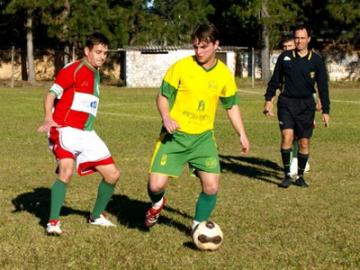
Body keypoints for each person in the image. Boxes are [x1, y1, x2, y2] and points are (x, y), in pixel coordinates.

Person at [144, 23, 250, 232]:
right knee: (155, 186)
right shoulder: (181, 67)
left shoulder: (224, 74)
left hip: (203, 139)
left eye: (204, 47)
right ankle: (157, 203)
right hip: (174, 136)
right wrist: (166, 116)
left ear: (216, 45)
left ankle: (197, 226)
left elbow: (231, 106)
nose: (199, 52)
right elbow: (162, 96)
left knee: (211, 186)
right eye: (196, 47)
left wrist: (242, 134)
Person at [37, 32, 120, 235]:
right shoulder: (73, 70)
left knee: (112, 175)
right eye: (98, 52)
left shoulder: (96, 72)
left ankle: (96, 216)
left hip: (87, 133)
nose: (102, 56)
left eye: (105, 53)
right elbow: (50, 95)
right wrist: (49, 118)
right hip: (64, 129)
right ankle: (53, 222)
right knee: (66, 169)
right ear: (86, 51)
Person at [263, 24, 330, 188]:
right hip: (286, 103)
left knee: (304, 143)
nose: (299, 41)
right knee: (287, 137)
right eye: (296, 38)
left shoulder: (316, 60)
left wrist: (326, 110)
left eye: (302, 38)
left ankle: (299, 176)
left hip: (306, 105)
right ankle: (287, 175)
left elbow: (322, 87)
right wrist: (269, 100)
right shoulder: (285, 57)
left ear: (308, 39)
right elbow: (275, 81)